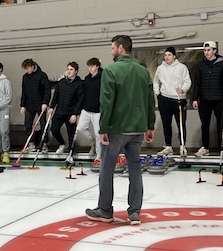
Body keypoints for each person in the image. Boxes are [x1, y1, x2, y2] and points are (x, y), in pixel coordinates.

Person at [86, 35, 155, 226]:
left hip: (116, 128)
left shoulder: (111, 71)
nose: (111, 52)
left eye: (112, 48)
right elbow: (150, 101)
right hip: (137, 129)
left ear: (121, 48)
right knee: (135, 170)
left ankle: (105, 210)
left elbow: (106, 102)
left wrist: (103, 128)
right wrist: (150, 125)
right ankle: (134, 212)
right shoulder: (143, 72)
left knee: (106, 169)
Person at [192, 41, 223, 158]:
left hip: (219, 99)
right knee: (205, 124)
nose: (206, 52)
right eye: (205, 50)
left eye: (209, 50)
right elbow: (197, 83)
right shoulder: (201, 65)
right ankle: (205, 147)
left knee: (222, 124)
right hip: (204, 99)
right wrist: (195, 98)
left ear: (214, 51)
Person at [153, 47, 192, 156]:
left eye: (169, 55)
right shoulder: (160, 68)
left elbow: (187, 81)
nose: (167, 57)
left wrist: (182, 89)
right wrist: (158, 93)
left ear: (174, 56)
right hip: (164, 99)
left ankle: (182, 146)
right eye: (165, 55)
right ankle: (168, 146)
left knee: (181, 123)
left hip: (179, 99)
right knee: (166, 123)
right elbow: (156, 81)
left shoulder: (182, 67)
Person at [49, 62, 84, 155]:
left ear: (76, 71)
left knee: (71, 134)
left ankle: (71, 152)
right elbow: (55, 96)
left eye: (71, 69)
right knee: (54, 129)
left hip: (70, 113)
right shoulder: (61, 82)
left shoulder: (79, 84)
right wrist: (52, 107)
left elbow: (80, 100)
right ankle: (62, 144)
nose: (69, 71)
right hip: (59, 111)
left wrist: (75, 114)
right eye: (68, 69)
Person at [20, 59, 51, 152]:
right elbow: (24, 91)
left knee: (43, 124)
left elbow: (47, 90)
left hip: (41, 105)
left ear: (32, 66)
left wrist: (45, 103)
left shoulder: (42, 75)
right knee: (27, 124)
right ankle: (31, 143)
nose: (26, 71)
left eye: (27, 68)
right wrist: (23, 105)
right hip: (29, 105)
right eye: (25, 69)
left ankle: (44, 143)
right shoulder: (25, 77)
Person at [77, 57, 103, 160]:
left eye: (92, 66)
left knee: (98, 133)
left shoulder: (103, 78)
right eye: (89, 66)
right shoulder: (87, 79)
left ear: (97, 66)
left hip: (97, 111)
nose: (90, 68)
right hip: (86, 109)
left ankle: (99, 155)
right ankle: (92, 143)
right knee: (80, 128)